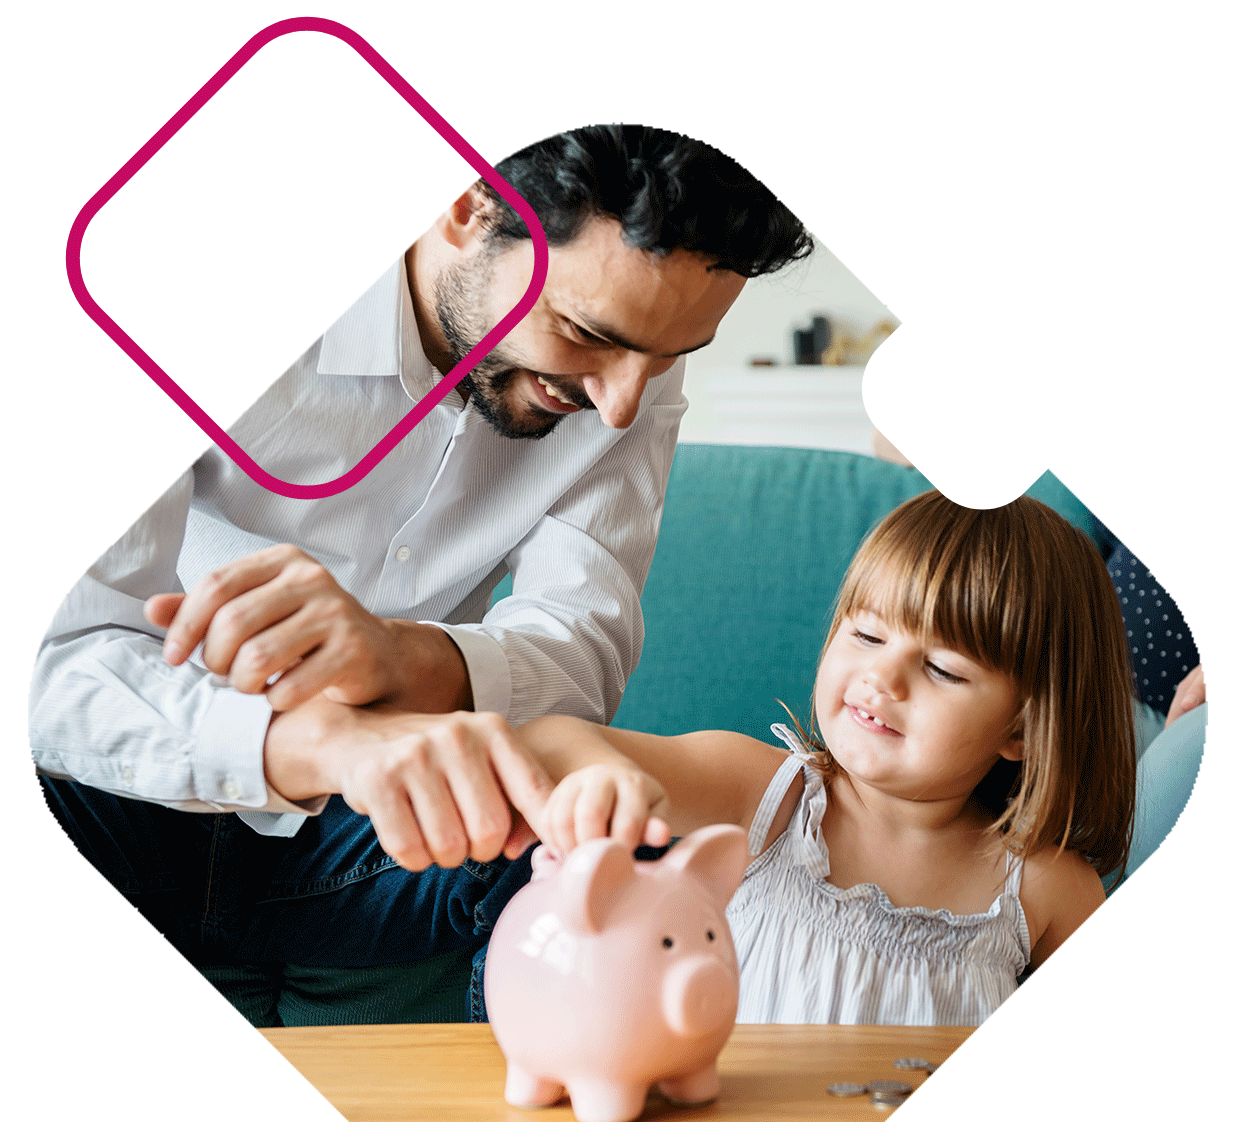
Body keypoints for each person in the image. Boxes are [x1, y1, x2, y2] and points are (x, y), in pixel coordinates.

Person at [30, 124, 813, 1020]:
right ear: (468, 205)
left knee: (573, 842)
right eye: (584, 334)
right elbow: (52, 655)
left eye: (668, 358)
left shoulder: (628, 370)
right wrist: (326, 742)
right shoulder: (201, 283)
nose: (622, 401)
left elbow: (582, 656)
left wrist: (402, 658)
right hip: (127, 799)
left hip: (367, 845)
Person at [519, 490, 1137, 1025]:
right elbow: (550, 741)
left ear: (1025, 729)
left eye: (943, 669)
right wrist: (605, 776)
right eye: (867, 634)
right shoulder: (765, 796)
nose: (882, 676)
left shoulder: (1046, 888)